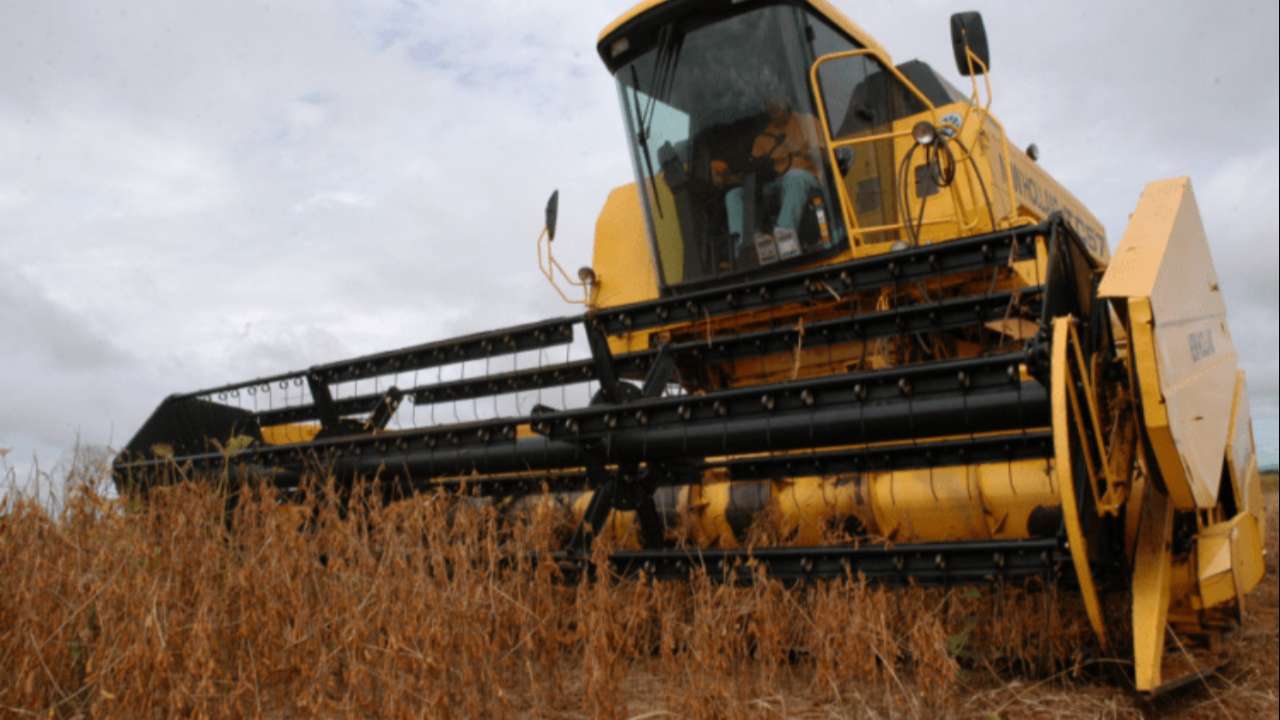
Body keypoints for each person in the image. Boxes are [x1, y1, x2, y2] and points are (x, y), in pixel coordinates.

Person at [713, 98, 824, 262]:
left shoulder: (807, 122)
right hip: (774, 184)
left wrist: (798, 150)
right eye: (767, 102)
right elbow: (753, 172)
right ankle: (749, 247)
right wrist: (729, 177)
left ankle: (785, 239)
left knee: (794, 176)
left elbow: (825, 157)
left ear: (786, 99)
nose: (772, 105)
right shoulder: (762, 138)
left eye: (775, 98)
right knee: (734, 195)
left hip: (807, 179)